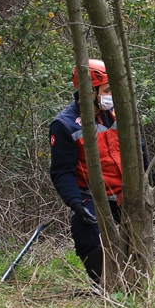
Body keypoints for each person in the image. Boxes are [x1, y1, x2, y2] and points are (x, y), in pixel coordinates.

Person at [49, 59, 123, 285]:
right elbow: (62, 171)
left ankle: (132, 280)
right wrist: (75, 203)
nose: (112, 95)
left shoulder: (118, 112)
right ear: (89, 90)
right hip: (92, 194)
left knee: (135, 235)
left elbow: (137, 148)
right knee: (86, 232)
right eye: (107, 90)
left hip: (124, 193)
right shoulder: (65, 125)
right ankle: (103, 284)